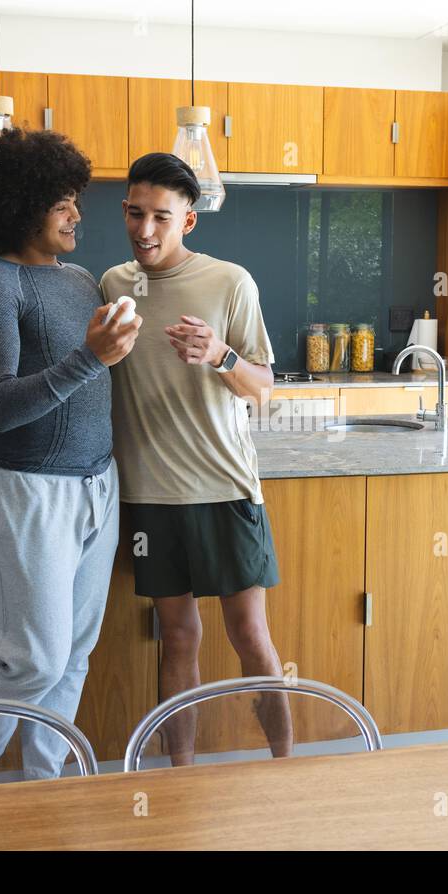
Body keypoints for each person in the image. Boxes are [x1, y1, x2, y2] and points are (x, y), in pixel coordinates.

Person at [0, 127, 141, 788]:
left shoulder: (78, 280)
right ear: (20, 207)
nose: (77, 213)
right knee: (33, 662)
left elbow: (94, 374)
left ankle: (47, 787)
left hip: (97, 484)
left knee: (74, 653)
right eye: (61, 202)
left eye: (75, 199)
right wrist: (90, 359)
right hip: (28, 488)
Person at [101, 152, 292, 766]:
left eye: (161, 215)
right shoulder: (112, 285)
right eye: (135, 213)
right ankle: (179, 778)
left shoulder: (229, 282)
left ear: (189, 221)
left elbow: (264, 389)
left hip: (226, 488)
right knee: (176, 638)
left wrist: (222, 357)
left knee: (251, 637)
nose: (145, 230)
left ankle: (287, 765)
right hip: (150, 496)